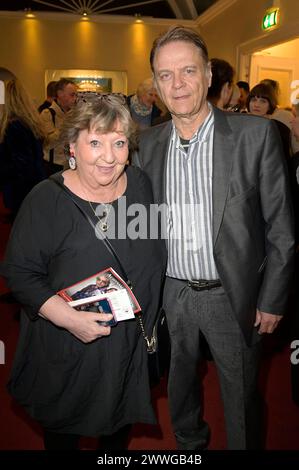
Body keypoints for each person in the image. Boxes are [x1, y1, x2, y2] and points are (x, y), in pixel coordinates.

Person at [134, 26, 294, 449]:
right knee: (179, 391)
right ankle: (190, 449)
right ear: (155, 82)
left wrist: (273, 297)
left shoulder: (255, 136)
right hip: (172, 294)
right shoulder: (148, 143)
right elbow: (142, 219)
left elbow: (282, 227)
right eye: (165, 75)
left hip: (233, 296)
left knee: (241, 397)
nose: (178, 84)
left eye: (188, 70)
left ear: (208, 75)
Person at [3, 93, 166, 450]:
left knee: (117, 429)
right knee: (65, 431)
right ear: (72, 147)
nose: (109, 157)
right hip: (70, 343)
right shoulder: (46, 199)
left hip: (127, 343)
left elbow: (153, 248)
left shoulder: (139, 184)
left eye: (119, 142)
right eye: (95, 142)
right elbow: (18, 272)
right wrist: (68, 318)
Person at [0, 79, 46, 219]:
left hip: (20, 193)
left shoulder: (13, 127)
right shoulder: (31, 124)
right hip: (35, 187)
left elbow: (20, 165)